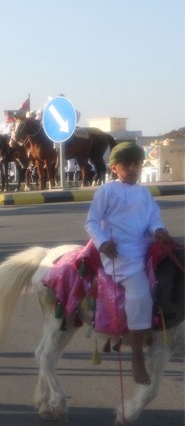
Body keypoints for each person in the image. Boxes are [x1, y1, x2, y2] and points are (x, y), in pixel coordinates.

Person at [84, 142, 173, 385]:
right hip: (120, 253)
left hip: (146, 248)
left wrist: (159, 230)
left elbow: (153, 218)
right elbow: (91, 222)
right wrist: (102, 243)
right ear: (114, 168)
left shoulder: (144, 193)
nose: (133, 169)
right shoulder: (106, 192)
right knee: (141, 293)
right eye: (127, 165)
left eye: (137, 164)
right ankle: (137, 359)